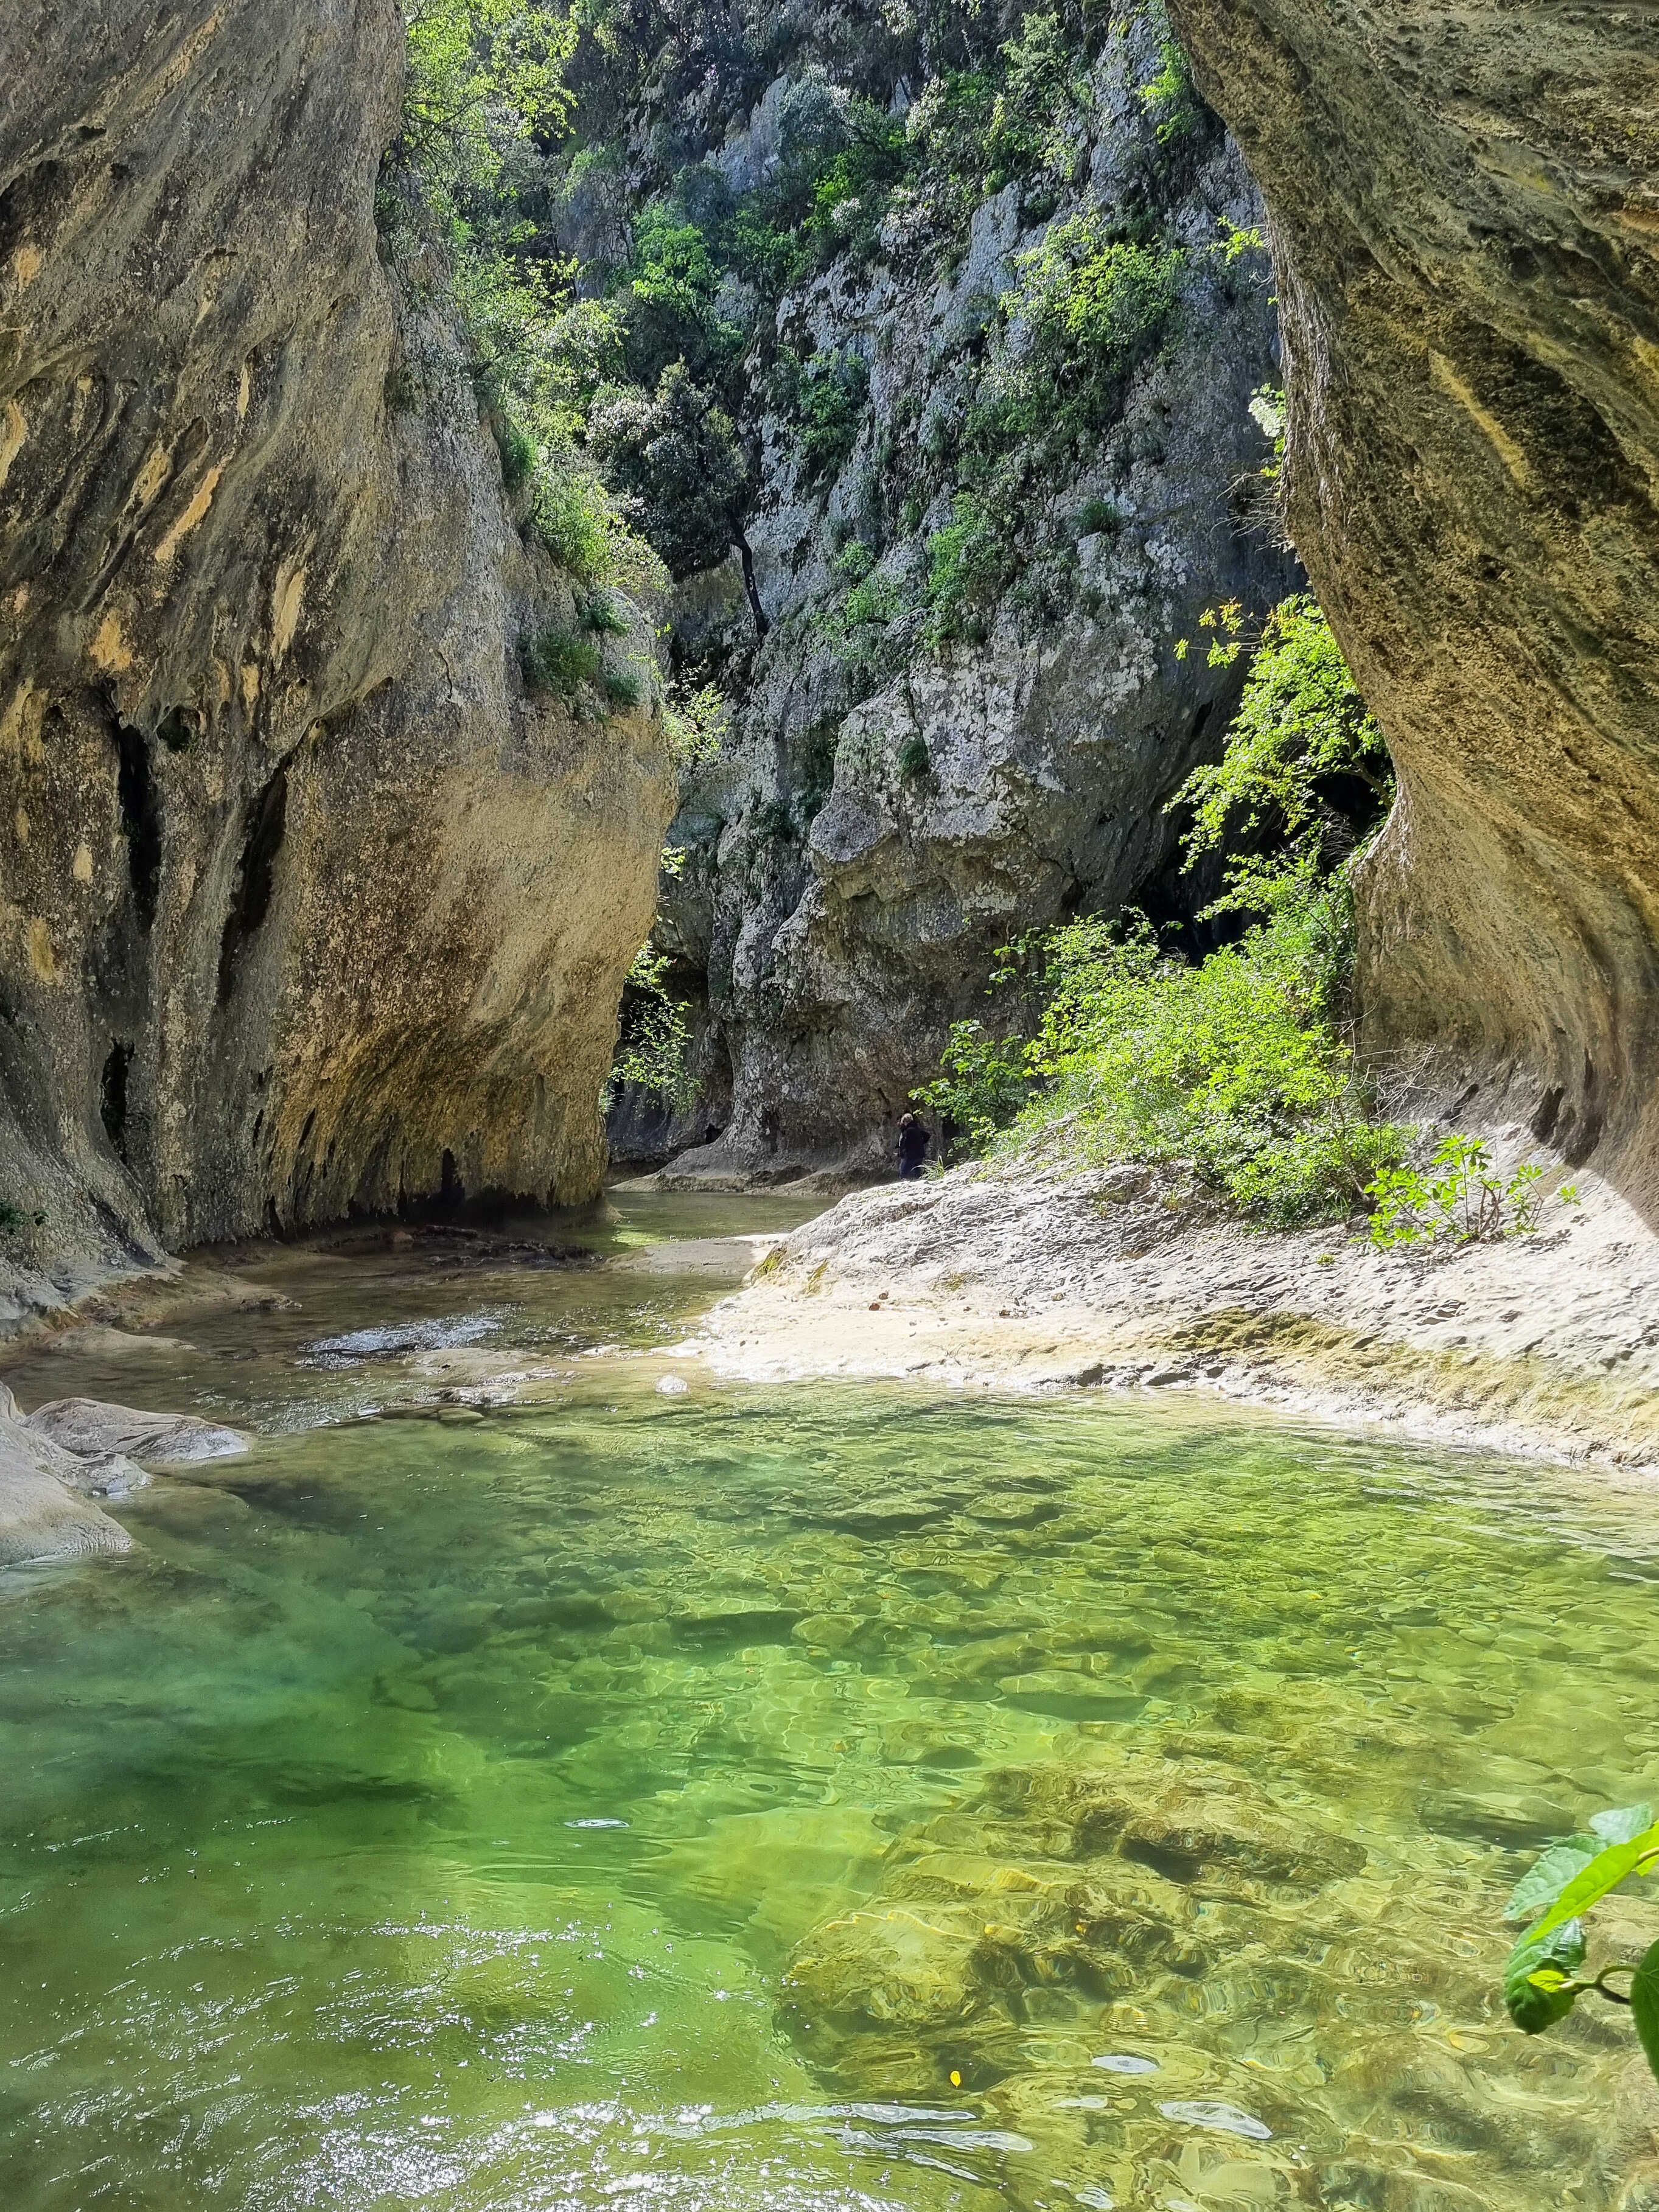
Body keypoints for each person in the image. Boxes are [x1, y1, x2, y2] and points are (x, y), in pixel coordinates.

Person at [896, 1111, 931, 1180]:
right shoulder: (917, 1129)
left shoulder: (907, 1131)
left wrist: (900, 1154)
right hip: (920, 1154)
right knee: (917, 1171)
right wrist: (921, 1143)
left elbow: (905, 1145)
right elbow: (927, 1136)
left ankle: (904, 1186)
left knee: (903, 1173)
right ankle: (919, 1183)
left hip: (910, 1155)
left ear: (905, 1122)